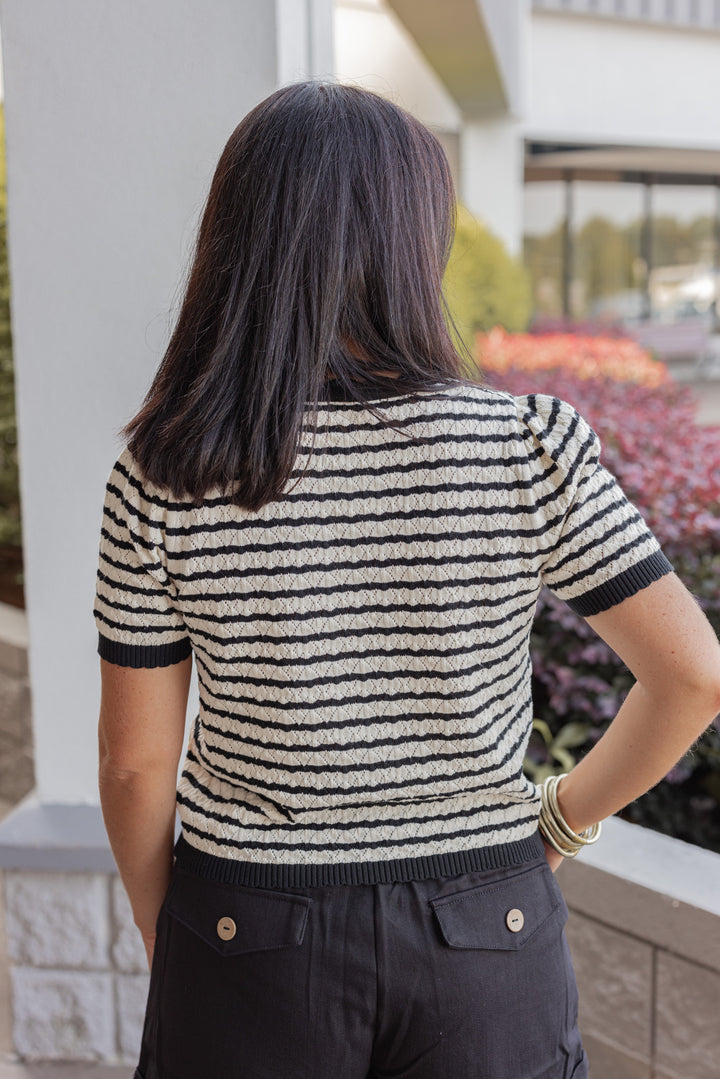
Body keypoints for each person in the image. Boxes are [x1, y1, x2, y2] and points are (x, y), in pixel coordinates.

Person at [95, 81, 720, 1079]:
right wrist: (557, 819)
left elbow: (135, 765)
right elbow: (693, 674)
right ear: (414, 241)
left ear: (236, 246)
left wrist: (170, 925)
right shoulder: (525, 447)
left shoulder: (167, 469)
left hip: (245, 927)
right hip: (488, 927)